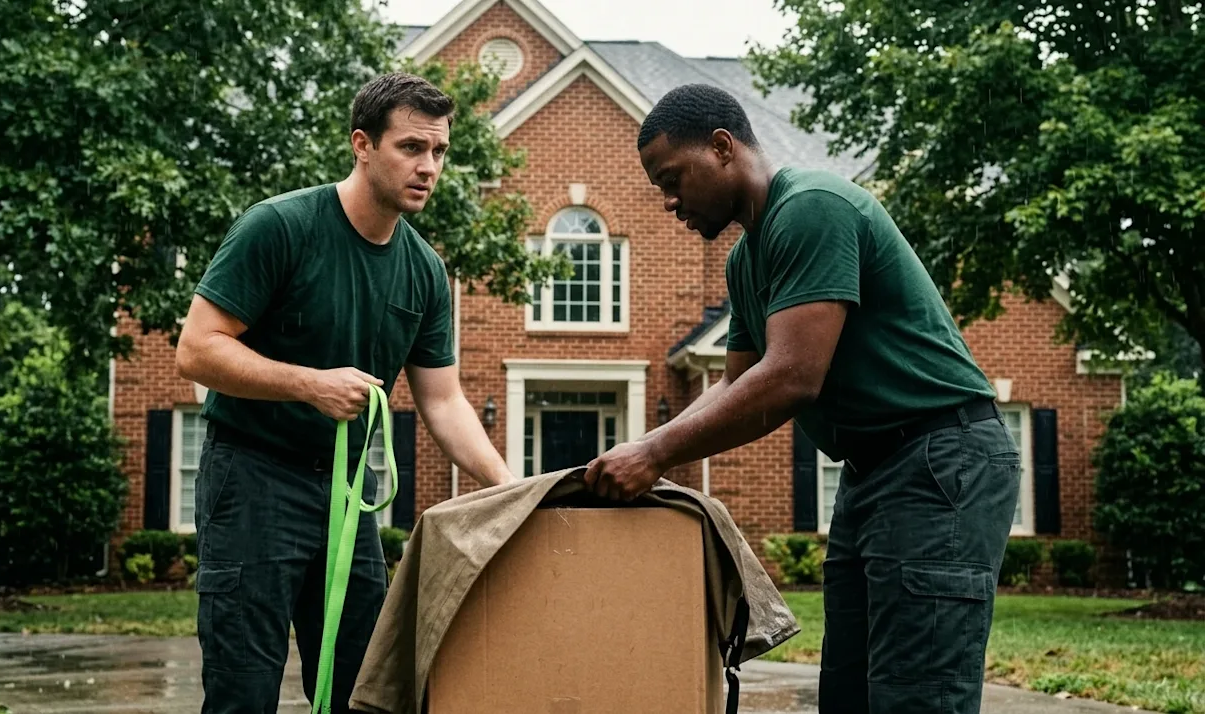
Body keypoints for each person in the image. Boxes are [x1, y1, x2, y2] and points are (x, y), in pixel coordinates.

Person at [584, 83, 1021, 713]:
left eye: (672, 177)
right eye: (660, 186)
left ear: (722, 147)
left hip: (938, 461)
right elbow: (736, 381)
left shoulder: (812, 207)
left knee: (916, 697)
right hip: (872, 470)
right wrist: (643, 451)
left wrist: (652, 452)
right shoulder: (747, 259)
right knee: (847, 695)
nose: (668, 200)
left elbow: (792, 376)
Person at [175, 72, 513, 714]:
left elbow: (442, 400)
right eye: (411, 147)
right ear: (362, 144)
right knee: (243, 688)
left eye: (439, 152)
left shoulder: (424, 271)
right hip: (251, 478)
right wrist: (307, 384)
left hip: (347, 492)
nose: (428, 166)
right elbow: (197, 348)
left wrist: (507, 484)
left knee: (365, 686)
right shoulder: (279, 227)